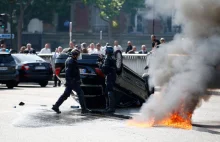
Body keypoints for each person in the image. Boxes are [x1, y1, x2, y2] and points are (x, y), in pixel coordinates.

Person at [52, 49, 90, 114]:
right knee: (80, 93)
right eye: (78, 55)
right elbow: (68, 72)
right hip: (73, 82)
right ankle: (84, 109)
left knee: (65, 95)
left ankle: (56, 106)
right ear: (75, 55)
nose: (78, 57)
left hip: (72, 81)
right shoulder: (71, 61)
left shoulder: (71, 60)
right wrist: (71, 81)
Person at [101, 46, 117, 113]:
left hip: (109, 76)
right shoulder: (112, 58)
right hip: (112, 76)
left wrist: (100, 65)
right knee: (108, 91)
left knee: (109, 91)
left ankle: (111, 108)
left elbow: (105, 68)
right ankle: (109, 107)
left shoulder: (107, 58)